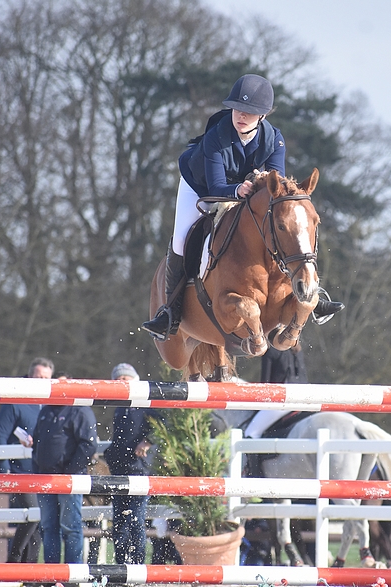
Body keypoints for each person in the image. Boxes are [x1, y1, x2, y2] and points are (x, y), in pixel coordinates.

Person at [141, 73, 344, 341]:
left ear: (262, 116)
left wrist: (259, 185)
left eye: (250, 112)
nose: (241, 116)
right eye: (238, 108)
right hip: (201, 186)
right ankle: (170, 312)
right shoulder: (216, 137)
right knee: (181, 239)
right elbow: (216, 187)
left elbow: (276, 187)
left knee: (281, 225)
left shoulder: (275, 140)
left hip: (245, 189)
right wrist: (238, 189)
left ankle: (310, 295)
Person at [32, 364, 98, 564]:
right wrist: (37, 466)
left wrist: (70, 471)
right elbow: (38, 441)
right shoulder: (46, 410)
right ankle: (51, 575)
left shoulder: (79, 411)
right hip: (45, 478)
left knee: (70, 527)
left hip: (69, 478)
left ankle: (72, 576)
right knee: (49, 526)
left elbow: (89, 445)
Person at [0, 358, 49, 563]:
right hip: (19, 470)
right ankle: (14, 560)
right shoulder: (15, 401)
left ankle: (29, 569)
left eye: (45, 378)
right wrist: (4, 468)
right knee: (34, 515)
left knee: (37, 522)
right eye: (38, 376)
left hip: (42, 471)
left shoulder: (49, 404)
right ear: (29, 375)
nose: (41, 381)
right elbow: (0, 435)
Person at [103, 362, 158, 564]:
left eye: (124, 379)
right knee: (119, 522)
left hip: (139, 469)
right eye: (117, 380)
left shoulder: (146, 400)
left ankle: (137, 564)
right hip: (119, 468)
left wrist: (148, 441)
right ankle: (121, 566)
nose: (121, 383)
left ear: (134, 380)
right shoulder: (121, 406)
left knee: (135, 520)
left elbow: (163, 422)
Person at [244, 345, 307, 439]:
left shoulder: (270, 351)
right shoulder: (297, 349)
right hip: (305, 398)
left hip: (284, 399)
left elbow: (265, 385)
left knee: (251, 433)